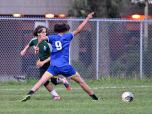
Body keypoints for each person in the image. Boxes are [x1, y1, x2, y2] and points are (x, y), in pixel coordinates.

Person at [21, 12, 98, 102]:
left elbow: (41, 38)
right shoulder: (68, 36)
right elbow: (79, 29)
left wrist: (37, 46)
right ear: (65, 30)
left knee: (41, 80)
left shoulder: (52, 37)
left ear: (56, 30)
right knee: (81, 82)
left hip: (53, 66)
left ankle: (29, 94)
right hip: (65, 66)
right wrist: (88, 18)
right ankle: (95, 98)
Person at [20, 25, 71, 101]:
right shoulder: (34, 40)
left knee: (53, 81)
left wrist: (43, 62)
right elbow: (29, 45)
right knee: (44, 81)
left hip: (51, 63)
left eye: (45, 32)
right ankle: (56, 95)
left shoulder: (48, 43)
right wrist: (24, 51)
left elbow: (53, 56)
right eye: (43, 32)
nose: (45, 33)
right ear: (38, 33)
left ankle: (62, 80)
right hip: (42, 64)